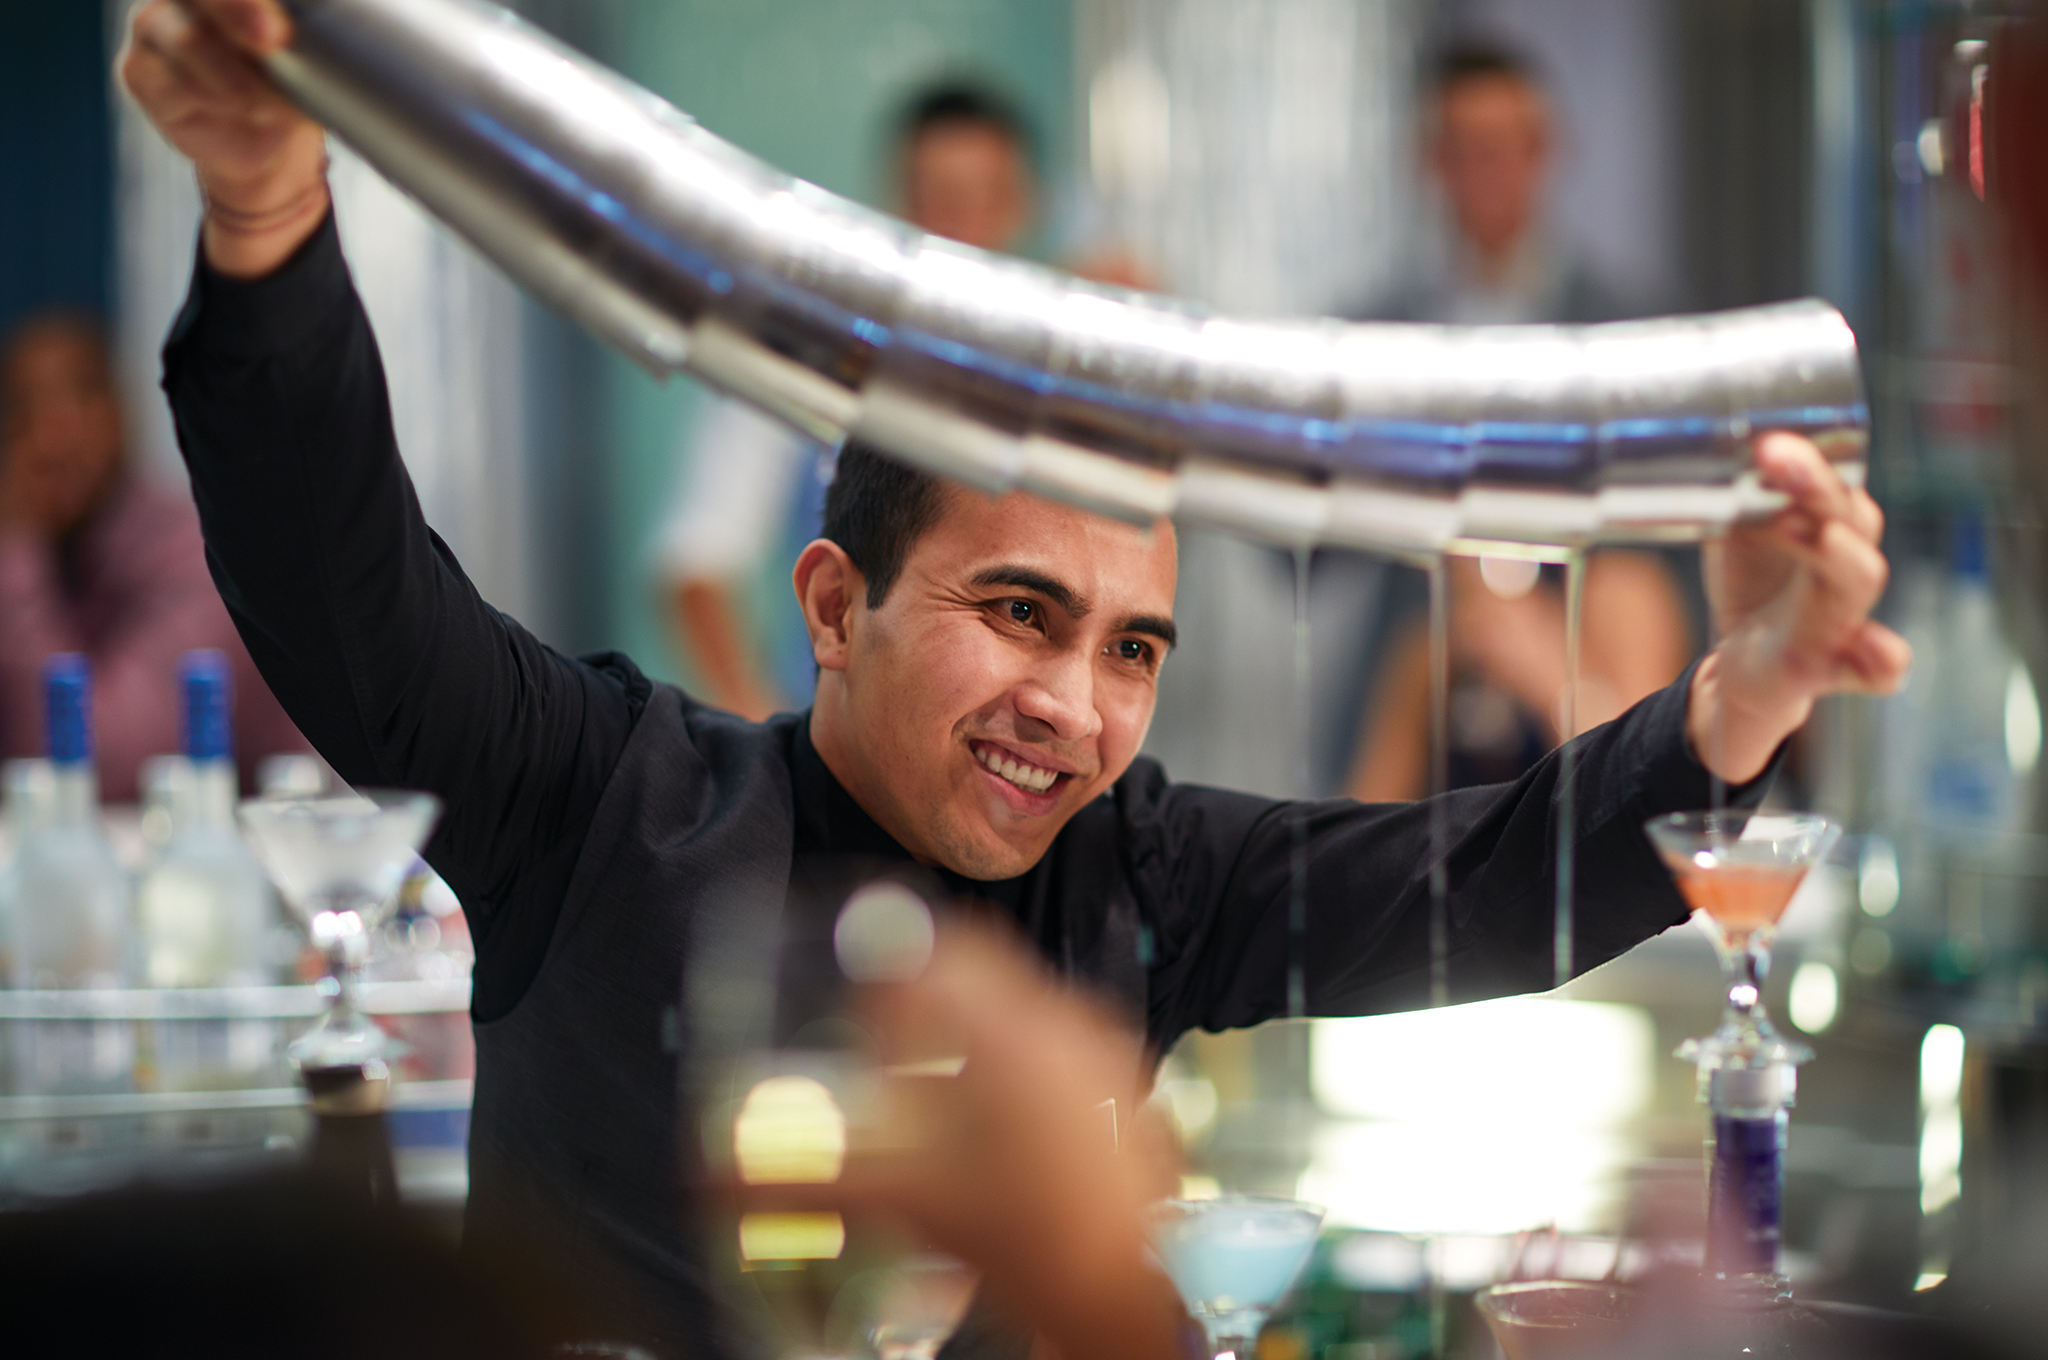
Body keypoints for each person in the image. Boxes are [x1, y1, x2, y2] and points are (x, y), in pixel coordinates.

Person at [120, 4, 1907, 1358]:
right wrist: (266, 211)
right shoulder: (597, 798)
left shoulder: (1143, 874)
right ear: (834, 606)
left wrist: (1747, 690)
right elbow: (342, 590)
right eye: (1019, 611)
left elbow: (1490, 884)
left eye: (1132, 648)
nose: (1074, 703)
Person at [1345, 39, 1694, 801]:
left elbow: (1645, 799)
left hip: (1588, 634)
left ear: (1544, 153)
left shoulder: (1625, 330)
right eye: (1465, 151)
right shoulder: (1377, 335)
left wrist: (1542, 664)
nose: (1487, 174)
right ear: (1430, 163)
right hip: (1431, 643)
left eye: (1505, 148)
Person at [661, 84, 1044, 722]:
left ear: (1022, 206)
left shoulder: (1059, 388)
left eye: (984, 198)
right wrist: (759, 736)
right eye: (939, 197)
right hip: (833, 740)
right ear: (899, 199)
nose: (962, 226)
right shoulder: (806, 358)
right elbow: (697, 559)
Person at [0, 312, 305, 800]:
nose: (50, 437)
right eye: (22, 411)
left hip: (258, 841)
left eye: (78, 397)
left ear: (122, 413)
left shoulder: (195, 554)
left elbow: (106, 770)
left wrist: (18, 547)